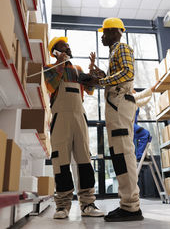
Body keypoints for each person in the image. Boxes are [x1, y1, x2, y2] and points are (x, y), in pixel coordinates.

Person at [80, 17, 143, 222]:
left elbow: (127, 72)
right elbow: (113, 76)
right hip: (115, 105)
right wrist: (97, 73)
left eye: (104, 33)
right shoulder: (114, 52)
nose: (102, 37)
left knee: (123, 153)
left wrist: (101, 80)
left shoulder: (122, 48)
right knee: (118, 154)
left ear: (114, 32)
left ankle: (132, 207)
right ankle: (127, 204)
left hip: (120, 103)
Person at [43, 37, 104, 219]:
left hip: (79, 117)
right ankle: (62, 206)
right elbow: (51, 86)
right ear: (55, 51)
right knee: (61, 161)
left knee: (84, 159)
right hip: (60, 118)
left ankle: (88, 204)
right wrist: (60, 64)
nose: (68, 48)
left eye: (68, 46)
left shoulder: (77, 71)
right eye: (63, 47)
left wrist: (94, 71)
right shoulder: (49, 68)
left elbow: (91, 89)